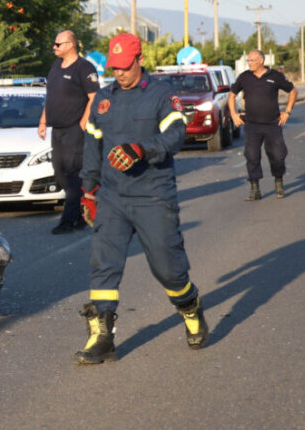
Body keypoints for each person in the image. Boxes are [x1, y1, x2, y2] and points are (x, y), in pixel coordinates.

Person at [75, 32, 207, 365]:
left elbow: (176, 135)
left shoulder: (162, 95)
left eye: (125, 66)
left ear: (140, 60)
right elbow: (93, 146)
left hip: (153, 194)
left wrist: (141, 150)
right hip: (113, 197)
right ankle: (101, 337)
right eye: (114, 66)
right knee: (103, 265)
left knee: (168, 270)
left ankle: (190, 307)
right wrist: (88, 190)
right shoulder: (104, 99)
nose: (119, 72)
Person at [38, 30, 99, 233]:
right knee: (59, 172)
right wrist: (43, 120)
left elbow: (94, 97)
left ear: (70, 45)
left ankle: (68, 220)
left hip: (74, 128)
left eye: (58, 44)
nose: (54, 47)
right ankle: (81, 212)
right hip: (57, 129)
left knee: (72, 174)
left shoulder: (84, 67)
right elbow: (51, 96)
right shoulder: (55, 67)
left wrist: (82, 122)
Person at [229, 49, 297, 200]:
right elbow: (232, 95)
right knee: (252, 156)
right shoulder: (244, 77)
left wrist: (287, 111)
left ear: (261, 61)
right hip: (252, 125)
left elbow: (292, 91)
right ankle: (255, 189)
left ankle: (278, 182)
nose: (249, 63)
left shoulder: (275, 76)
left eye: (252, 60)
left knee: (278, 155)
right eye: (248, 61)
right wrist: (234, 114)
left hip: (273, 124)